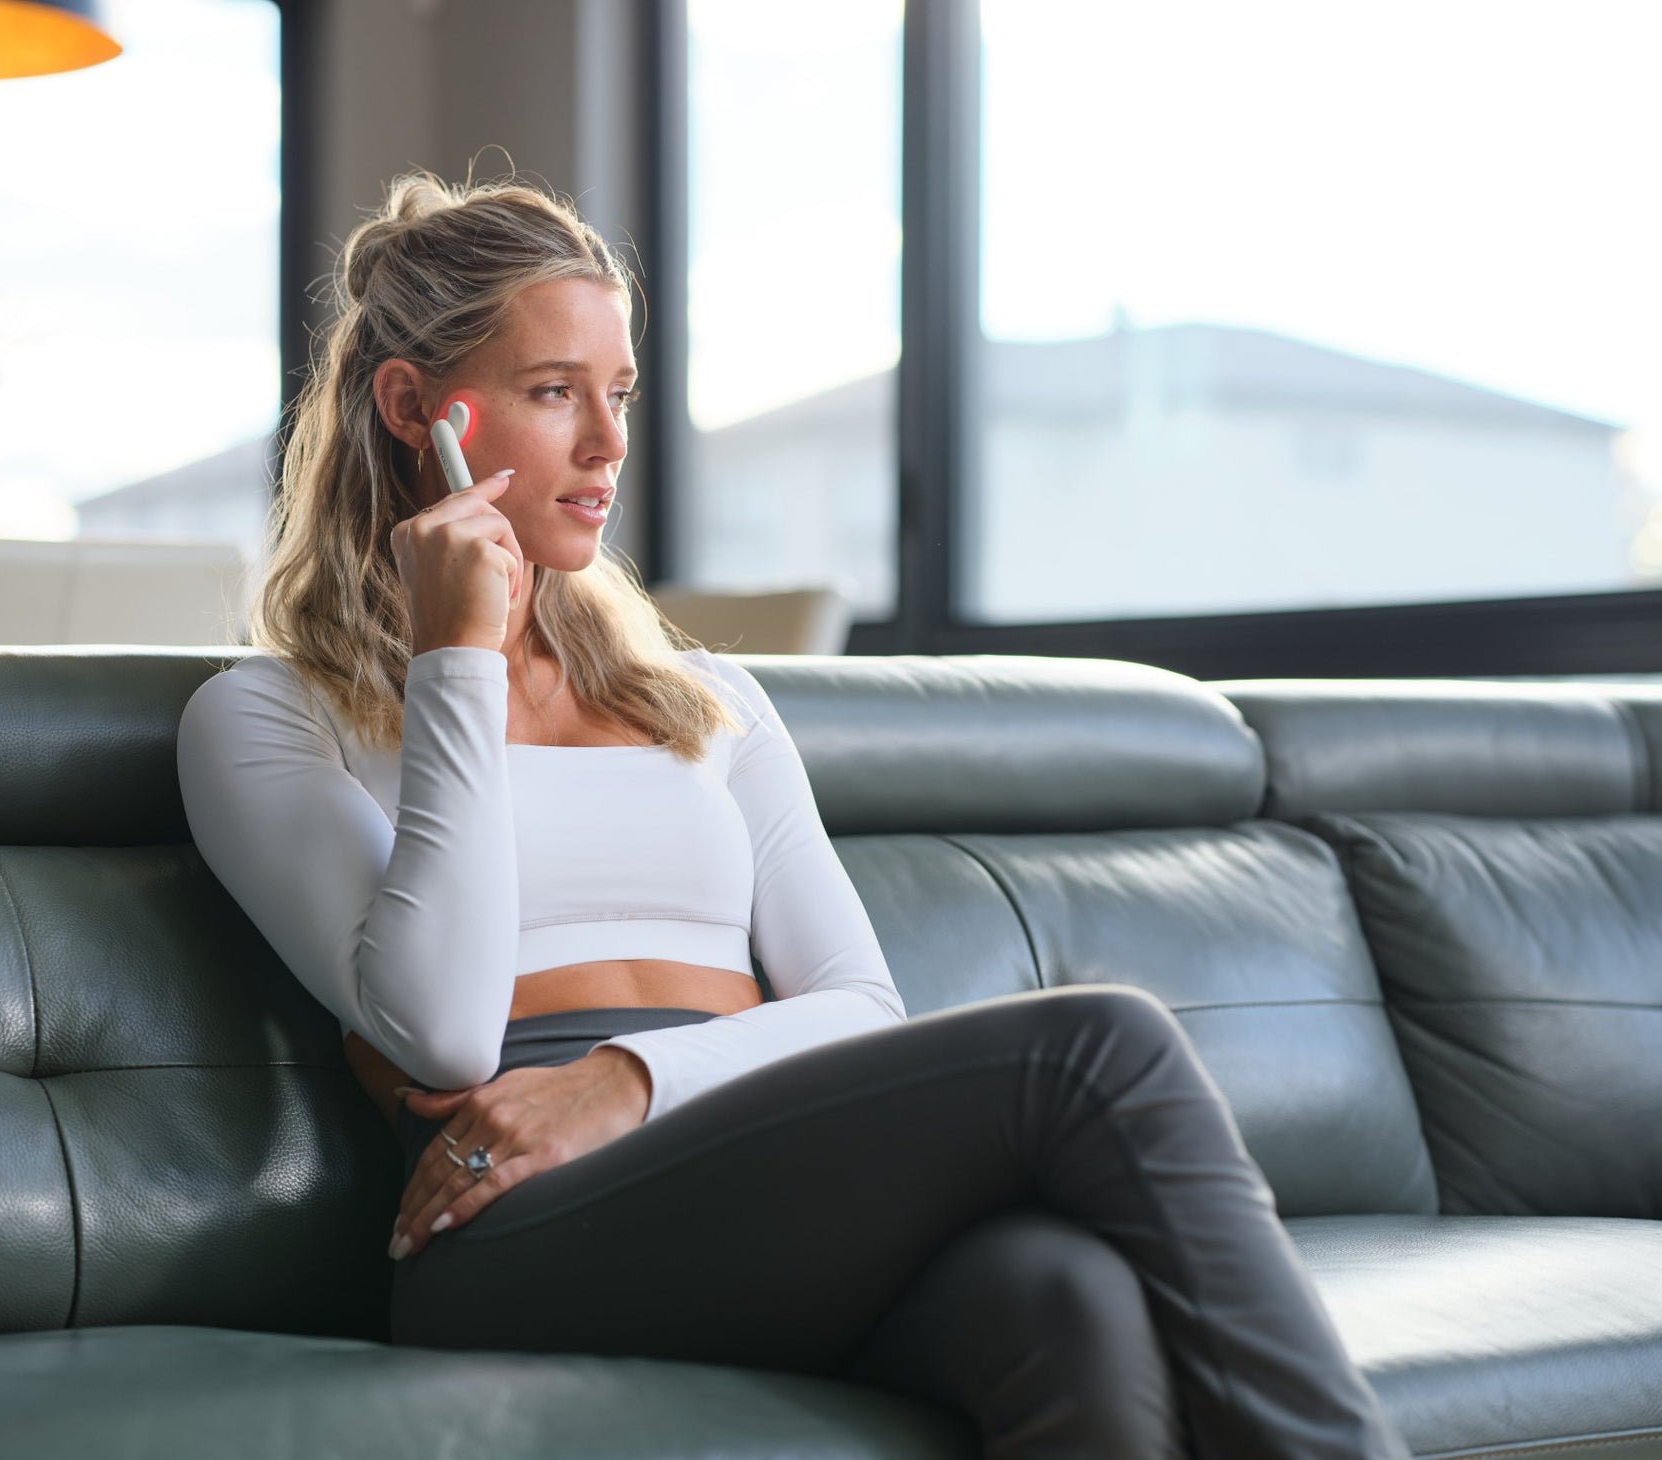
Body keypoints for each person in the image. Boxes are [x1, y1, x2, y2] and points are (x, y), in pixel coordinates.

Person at [175, 168, 1413, 1460]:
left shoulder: (706, 697)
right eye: (555, 394)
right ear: (413, 409)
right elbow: (440, 1029)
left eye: (620, 395)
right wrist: (455, 662)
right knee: (1094, 1048)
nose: (606, 445)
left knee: (1065, 1303)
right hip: (514, 1229)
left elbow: (857, 1007)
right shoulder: (266, 719)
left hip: (740, 1161)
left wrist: (624, 1079)